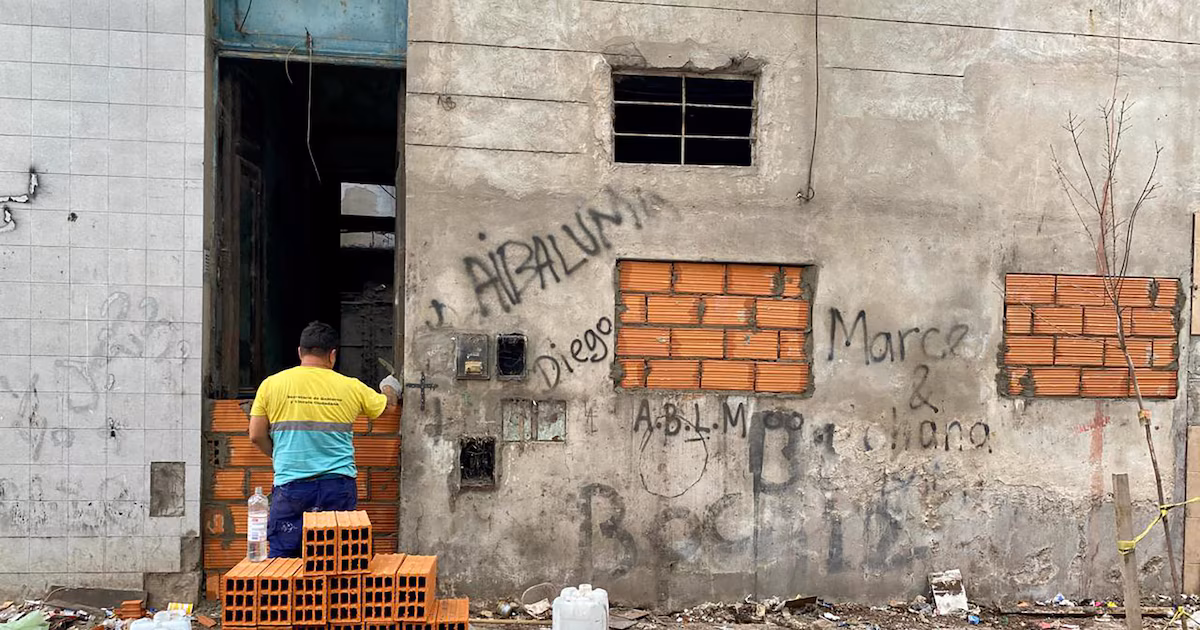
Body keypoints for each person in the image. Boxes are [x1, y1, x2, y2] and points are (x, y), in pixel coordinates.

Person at [248, 321, 402, 558]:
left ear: (300, 352)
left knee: (284, 562)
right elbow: (388, 408)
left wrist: (279, 453)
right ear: (332, 355)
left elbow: (256, 435)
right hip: (337, 487)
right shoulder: (350, 387)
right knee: (337, 560)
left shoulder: (271, 385)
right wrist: (390, 387)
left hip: (291, 486)